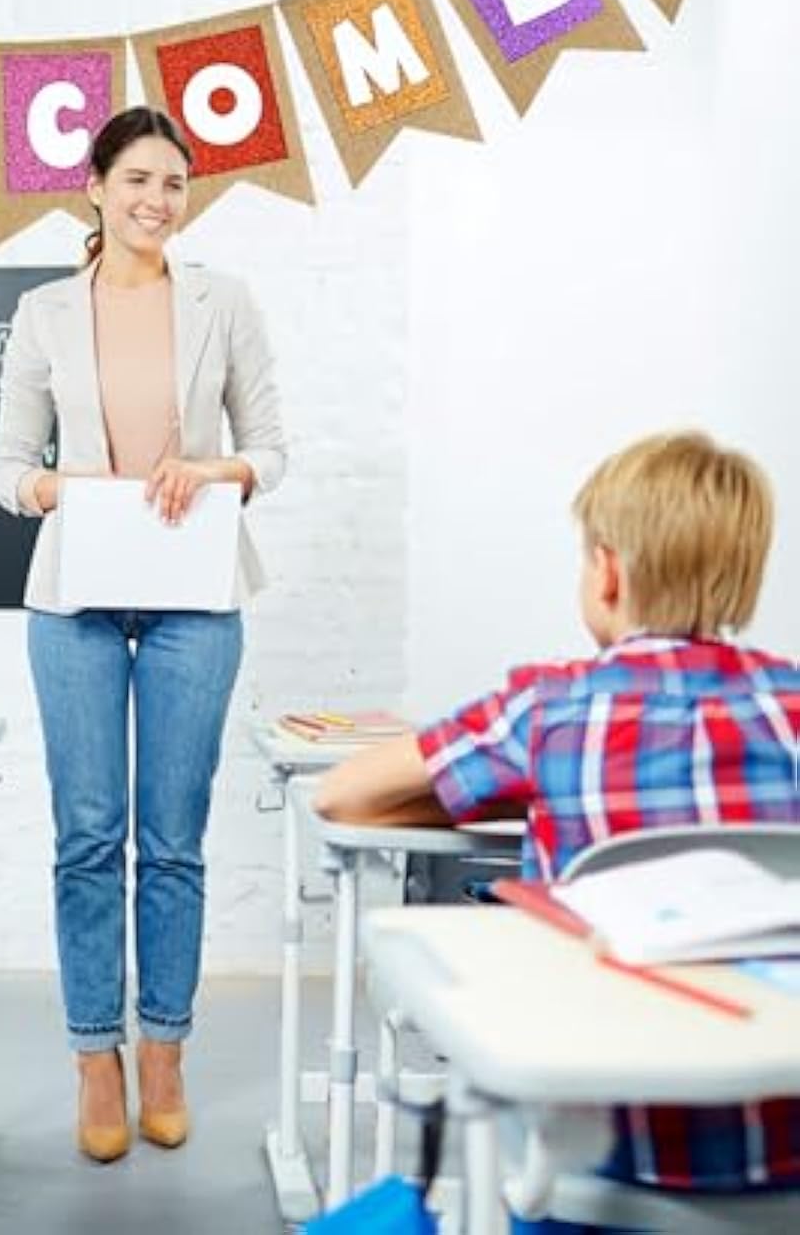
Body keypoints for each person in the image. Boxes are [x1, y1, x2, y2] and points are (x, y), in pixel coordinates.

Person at [316, 430, 800, 1224]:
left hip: (595, 1164)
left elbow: (345, 796)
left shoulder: (553, 710)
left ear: (607, 572)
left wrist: (525, 795)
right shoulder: (791, 704)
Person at [0, 105, 287, 1162]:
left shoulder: (225, 302)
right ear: (97, 188)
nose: (158, 201)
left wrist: (217, 471)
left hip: (194, 594)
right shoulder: (42, 313)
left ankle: (163, 1047)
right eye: (139, 181)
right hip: (75, 591)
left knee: (170, 835)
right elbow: (5, 467)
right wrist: (50, 485)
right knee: (85, 835)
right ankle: (94, 1057)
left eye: (175, 183)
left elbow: (273, 450)